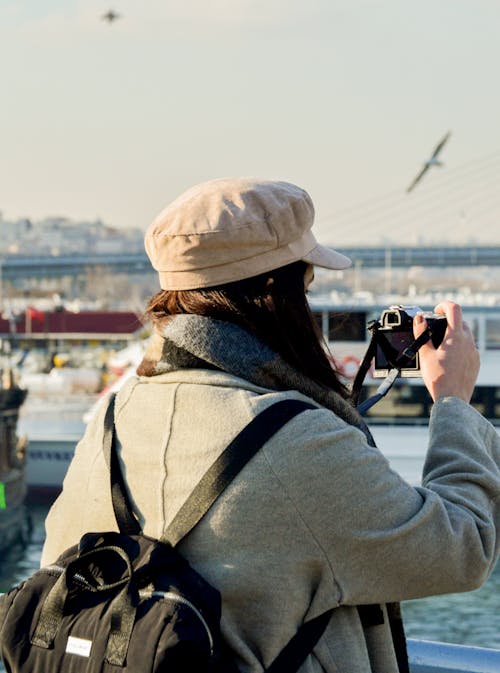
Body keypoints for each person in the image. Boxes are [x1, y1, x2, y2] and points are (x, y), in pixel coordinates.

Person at [42, 177, 500, 673]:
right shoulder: (295, 441)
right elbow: (463, 546)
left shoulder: (110, 422)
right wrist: (453, 402)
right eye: (304, 287)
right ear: (274, 294)